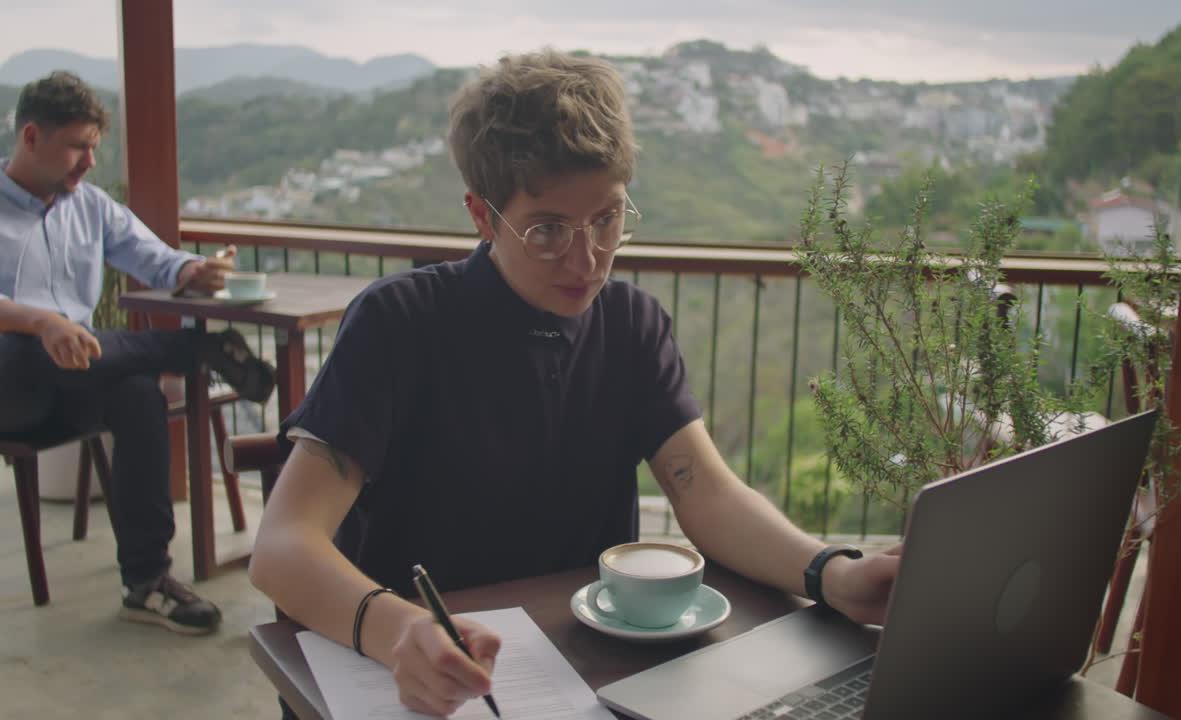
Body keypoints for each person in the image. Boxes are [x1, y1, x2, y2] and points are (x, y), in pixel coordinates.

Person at [249, 49, 900, 716]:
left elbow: (704, 490)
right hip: (438, 682)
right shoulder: (400, 323)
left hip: (596, 679)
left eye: (608, 219)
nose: (587, 260)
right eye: (548, 230)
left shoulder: (631, 325)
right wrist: (401, 630)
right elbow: (280, 548)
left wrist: (832, 573)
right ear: (481, 215)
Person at [0, 71, 277, 635]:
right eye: (78, 146)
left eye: (93, 149)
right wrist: (40, 320)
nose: (89, 163)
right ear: (31, 137)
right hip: (12, 385)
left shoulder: (91, 206)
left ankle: (146, 582)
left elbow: (152, 256)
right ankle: (198, 348)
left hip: (81, 374)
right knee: (29, 345)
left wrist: (192, 271)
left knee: (136, 395)